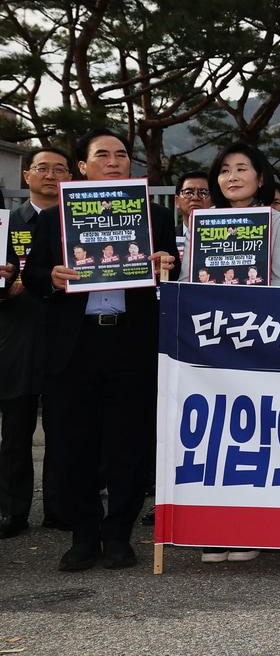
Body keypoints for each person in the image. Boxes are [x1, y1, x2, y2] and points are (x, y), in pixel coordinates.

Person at [21, 127, 179, 572]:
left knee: (128, 443)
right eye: (103, 155)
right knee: (72, 444)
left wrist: (167, 264)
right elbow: (33, 276)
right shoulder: (55, 218)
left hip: (131, 341)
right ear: (83, 167)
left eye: (121, 154)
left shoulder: (155, 216)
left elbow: (177, 270)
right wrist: (51, 279)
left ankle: (118, 535)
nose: (113, 161)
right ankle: (83, 535)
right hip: (74, 345)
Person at [0, 148, 72, 538]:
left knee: (64, 429)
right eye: (42, 168)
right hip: (18, 336)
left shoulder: (78, 223)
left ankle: (60, 508)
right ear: (26, 175)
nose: (51, 174)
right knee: (16, 430)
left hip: (66, 334)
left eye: (60, 168)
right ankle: (12, 511)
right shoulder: (6, 224)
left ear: (70, 177)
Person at [193, 142, 280, 289]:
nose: (232, 177)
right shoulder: (200, 221)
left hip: (260, 303)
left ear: (260, 179)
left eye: (241, 169)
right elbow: (186, 279)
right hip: (209, 303)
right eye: (224, 171)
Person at [173, 171, 211, 239]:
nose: (195, 198)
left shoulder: (225, 237)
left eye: (203, 193)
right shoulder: (167, 237)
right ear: (177, 201)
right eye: (188, 193)